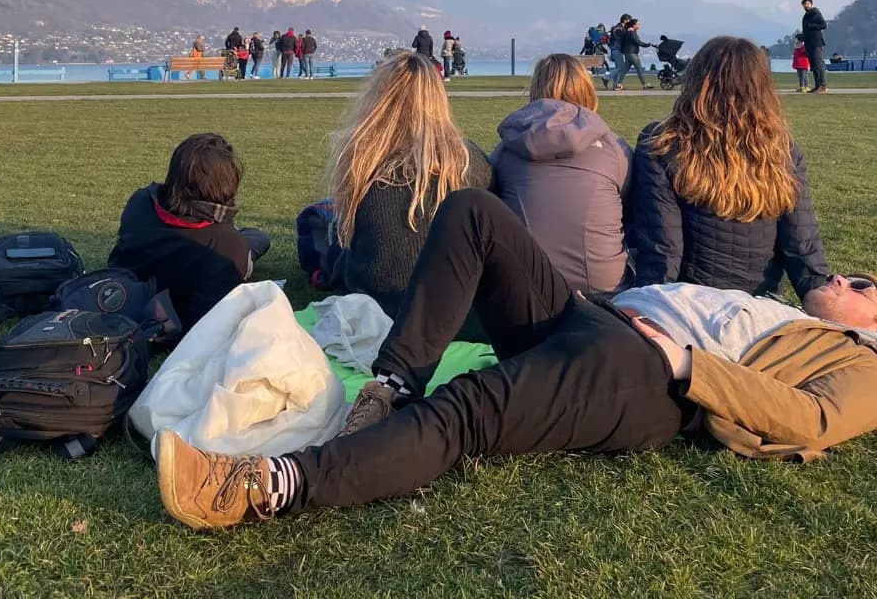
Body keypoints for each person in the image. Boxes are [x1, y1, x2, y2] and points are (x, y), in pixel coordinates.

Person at [157, 188, 877, 530]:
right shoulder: (795, 316)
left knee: (470, 407)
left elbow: (812, 419)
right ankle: (390, 383)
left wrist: (688, 363)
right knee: (475, 212)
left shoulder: (868, 363)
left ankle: (259, 488)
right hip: (597, 320)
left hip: (650, 376)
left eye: (864, 285)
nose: (846, 279)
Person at [629, 36, 828, 299]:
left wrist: (645, 311)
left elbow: (662, 248)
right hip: (761, 309)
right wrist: (823, 299)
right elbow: (802, 246)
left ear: (697, 81)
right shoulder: (781, 150)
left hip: (690, 306)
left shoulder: (662, 143)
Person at [320, 51, 491, 318]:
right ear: (437, 100)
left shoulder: (361, 158)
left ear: (378, 99)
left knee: (326, 235)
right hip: (453, 308)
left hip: (378, 305)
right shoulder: (467, 159)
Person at [490, 54, 633, 295]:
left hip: (530, 288)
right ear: (586, 89)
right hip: (604, 287)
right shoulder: (615, 149)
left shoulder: (506, 151)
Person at [108, 134, 271, 331]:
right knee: (258, 239)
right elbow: (210, 323)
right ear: (227, 183)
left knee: (253, 237)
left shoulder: (142, 200)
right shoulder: (225, 244)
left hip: (126, 293)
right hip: (175, 316)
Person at [612, 17, 653, 90]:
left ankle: (618, 85)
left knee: (624, 70)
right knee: (639, 68)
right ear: (633, 25)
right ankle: (644, 85)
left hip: (628, 54)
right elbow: (638, 42)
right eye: (638, 24)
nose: (639, 25)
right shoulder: (632, 32)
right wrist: (647, 45)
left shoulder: (630, 31)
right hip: (632, 54)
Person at [800, 0, 828, 94]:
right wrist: (802, 36)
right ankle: (817, 85)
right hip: (809, 43)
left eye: (808, 3)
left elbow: (823, 25)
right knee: (813, 66)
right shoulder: (806, 15)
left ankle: (823, 85)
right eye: (804, 4)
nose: (806, 5)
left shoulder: (815, 12)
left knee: (819, 64)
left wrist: (811, 26)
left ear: (811, 4)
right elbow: (806, 29)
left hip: (816, 43)